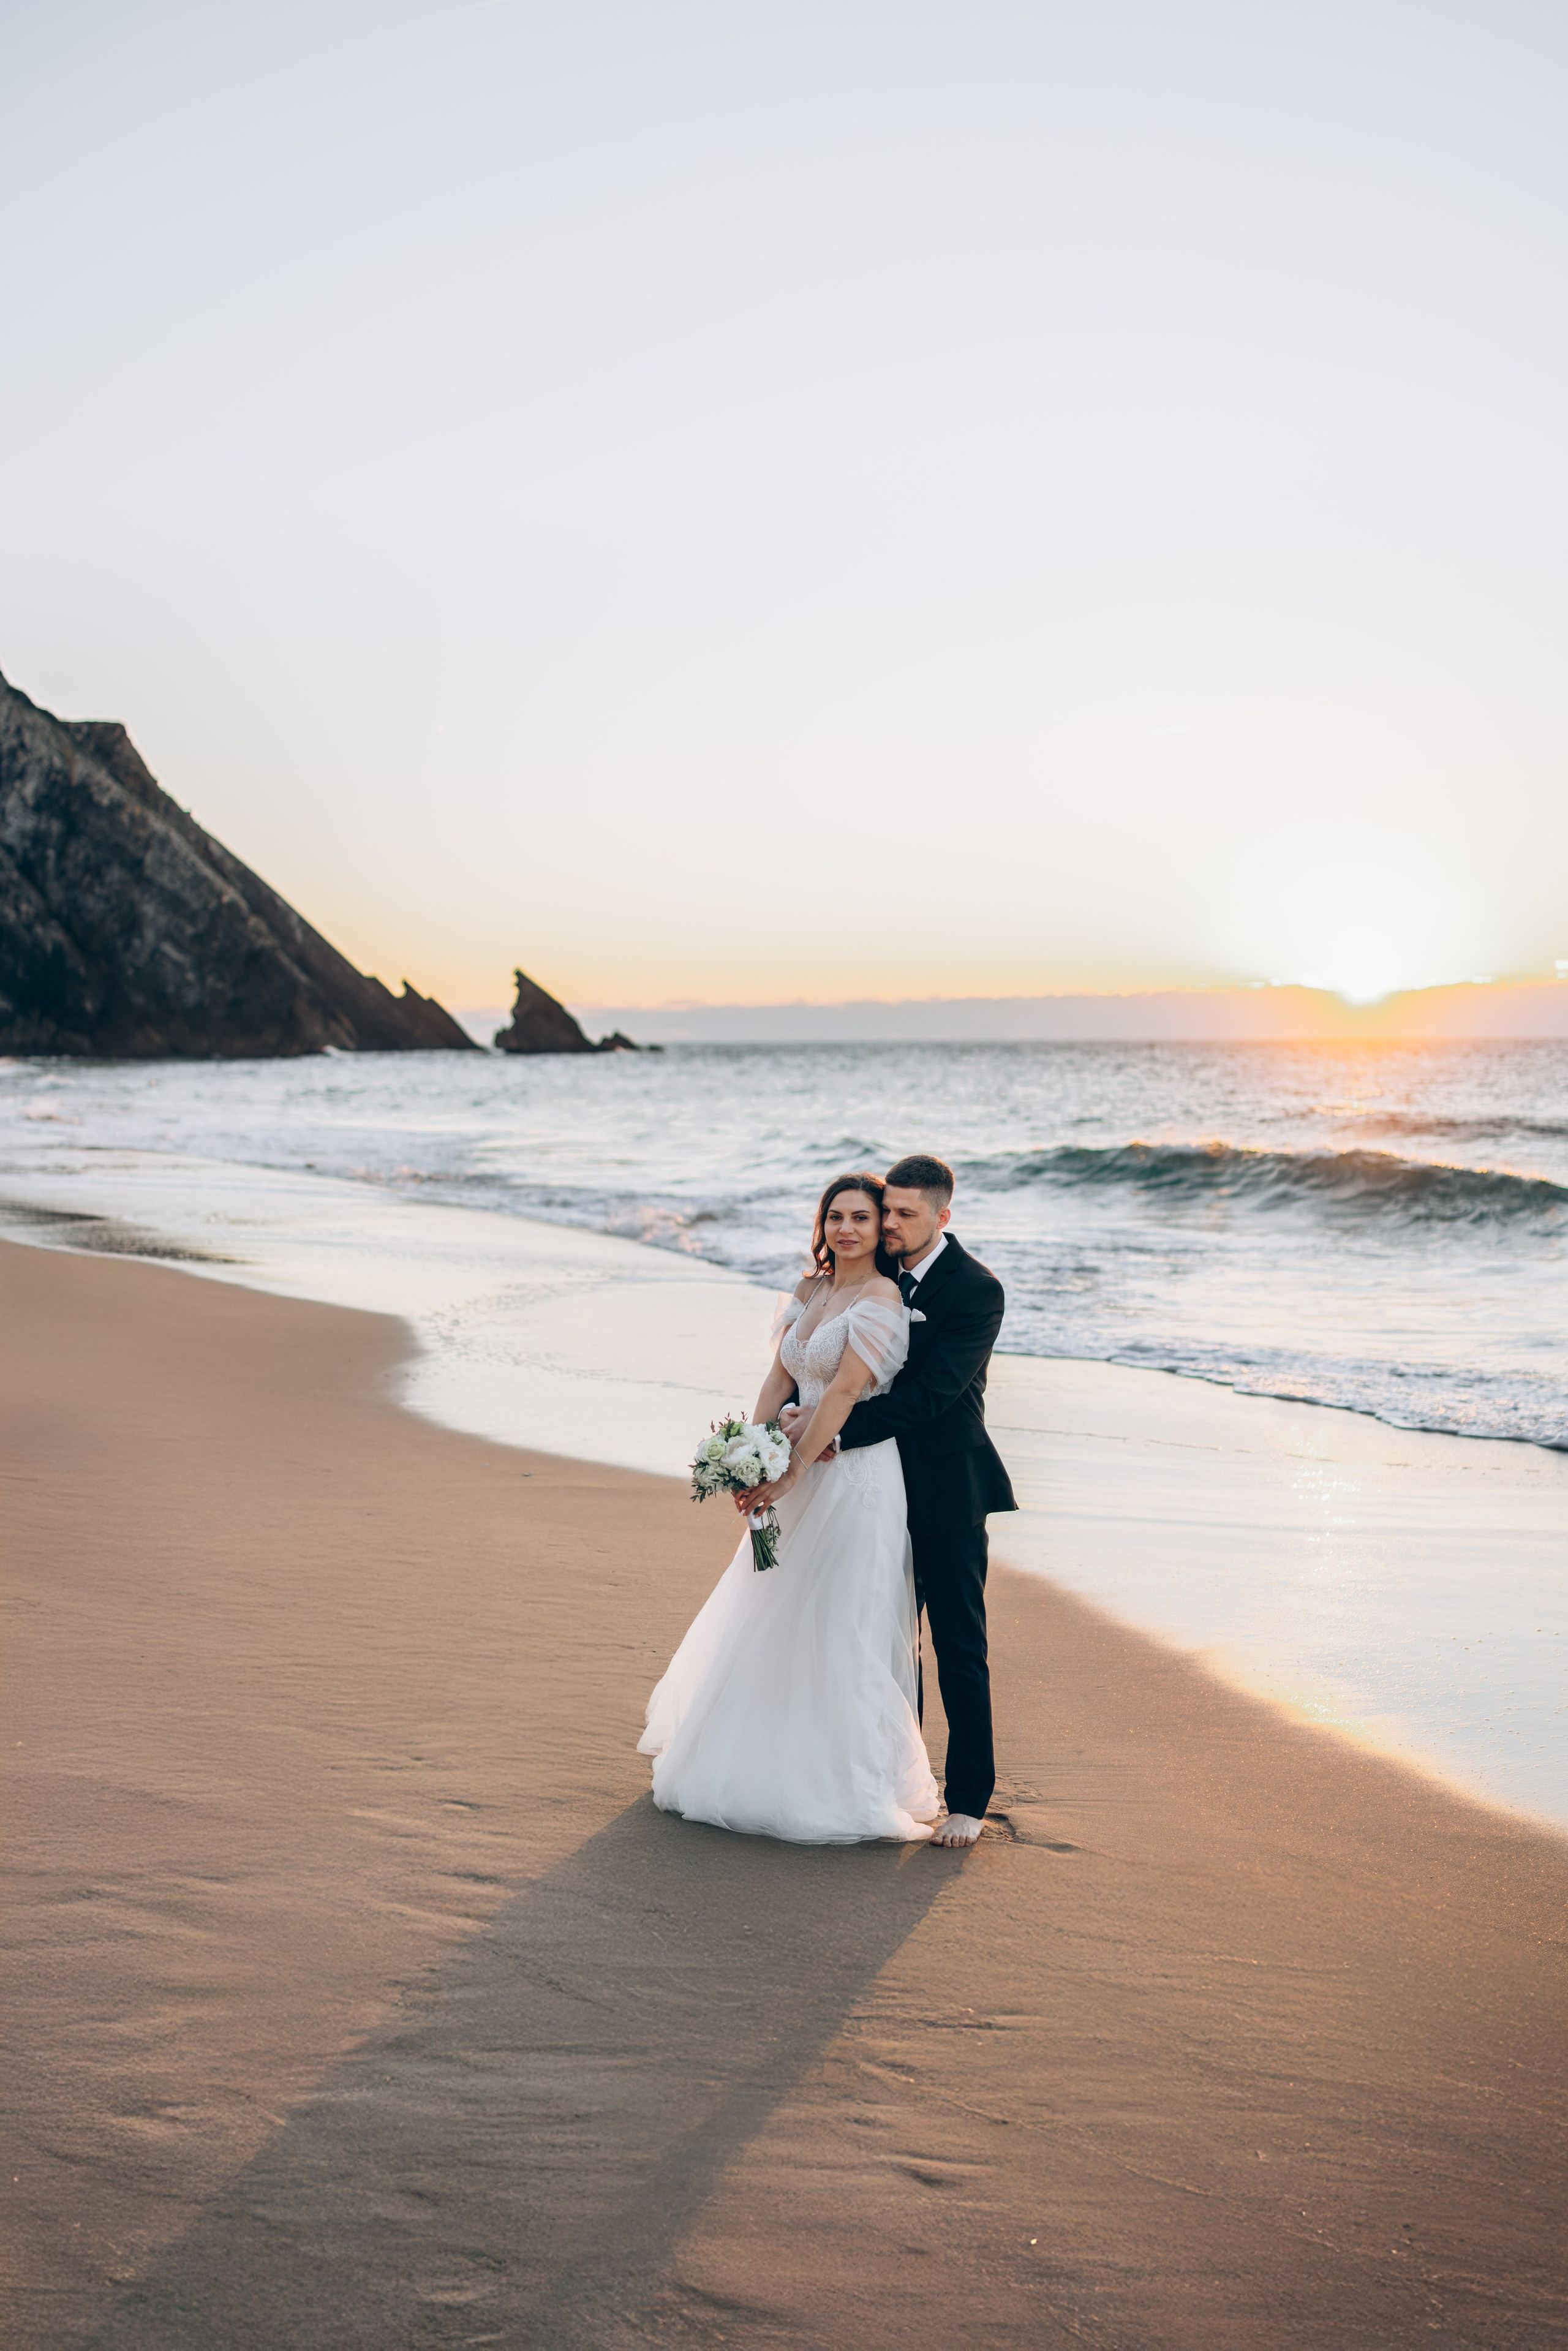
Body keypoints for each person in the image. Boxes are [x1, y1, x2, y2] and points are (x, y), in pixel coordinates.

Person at [639, 1172, 939, 1844]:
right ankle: (756, 1763)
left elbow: (844, 1393)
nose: (847, 1229)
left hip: (853, 1476)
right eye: (836, 1216)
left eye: (862, 1218)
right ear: (823, 1222)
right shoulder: (810, 1290)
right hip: (794, 1468)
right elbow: (781, 1377)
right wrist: (750, 1450)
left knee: (841, 1623)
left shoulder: (883, 1296)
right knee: (773, 1611)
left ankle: (850, 1784)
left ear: (880, 1228)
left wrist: (793, 1468)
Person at [778, 1153, 1016, 1848]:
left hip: (944, 1486)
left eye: (905, 1214)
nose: (888, 1224)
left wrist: (829, 1435)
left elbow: (932, 1395)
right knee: (873, 1638)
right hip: (867, 1487)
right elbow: (828, 1366)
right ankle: (892, 1781)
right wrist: (799, 1419)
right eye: (887, 1211)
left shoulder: (976, 1290)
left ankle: (969, 1798)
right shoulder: (870, 1279)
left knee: (956, 1642)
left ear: (943, 1216)